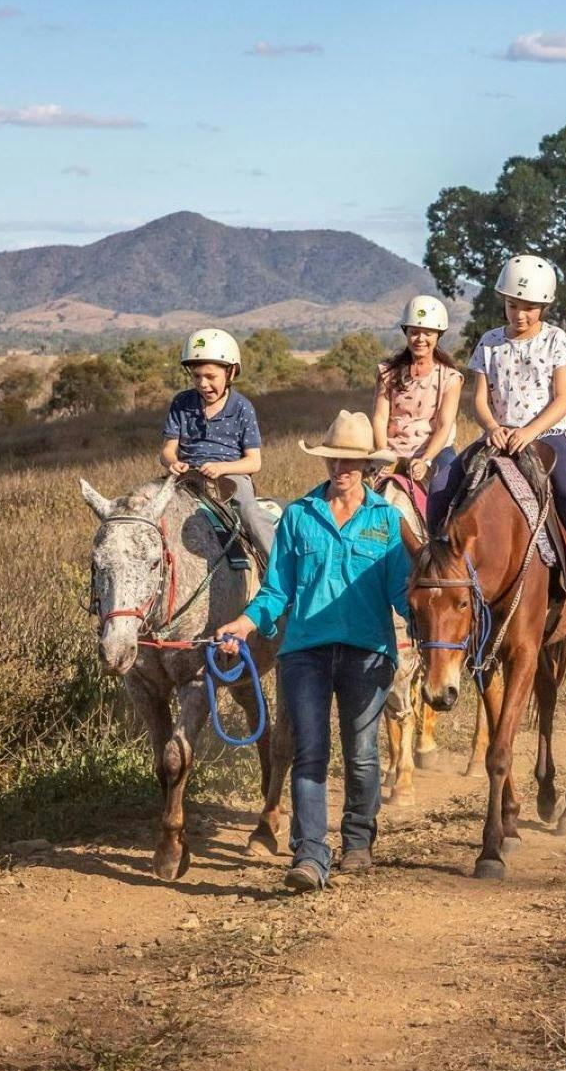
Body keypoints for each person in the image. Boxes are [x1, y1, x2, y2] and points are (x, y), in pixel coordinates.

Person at [214, 410, 408, 893]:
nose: (341, 469)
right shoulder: (300, 516)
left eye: (351, 462)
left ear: (367, 466)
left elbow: (403, 594)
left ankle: (359, 841)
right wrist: (243, 622)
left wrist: (435, 621)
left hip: (368, 652)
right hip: (305, 652)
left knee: (362, 756)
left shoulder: (388, 522)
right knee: (310, 753)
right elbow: (276, 589)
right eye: (334, 459)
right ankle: (310, 855)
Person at [467, 254, 566, 624]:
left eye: (529, 308)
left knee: (565, 490)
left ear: (543, 306)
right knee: (452, 483)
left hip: (546, 434)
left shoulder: (556, 341)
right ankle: (441, 571)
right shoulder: (488, 342)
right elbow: (480, 399)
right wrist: (492, 427)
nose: (520, 315)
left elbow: (563, 400)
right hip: (499, 437)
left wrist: (529, 432)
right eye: (513, 305)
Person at [160, 328, 273, 555]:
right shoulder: (181, 402)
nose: (202, 383)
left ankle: (278, 567)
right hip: (188, 474)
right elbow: (167, 450)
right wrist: (173, 462)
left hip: (231, 476)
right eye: (196, 376)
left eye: (211, 377)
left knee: (250, 513)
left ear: (230, 373)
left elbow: (253, 462)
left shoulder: (242, 408)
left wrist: (222, 468)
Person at [371, 294, 463, 520]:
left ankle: (448, 549)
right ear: (406, 333)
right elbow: (380, 418)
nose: (420, 338)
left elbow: (444, 426)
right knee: (351, 492)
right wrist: (383, 455)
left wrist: (426, 460)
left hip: (433, 450)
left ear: (438, 335)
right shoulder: (388, 373)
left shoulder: (450, 378)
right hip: (391, 450)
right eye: (414, 332)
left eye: (428, 333)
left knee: (452, 495)